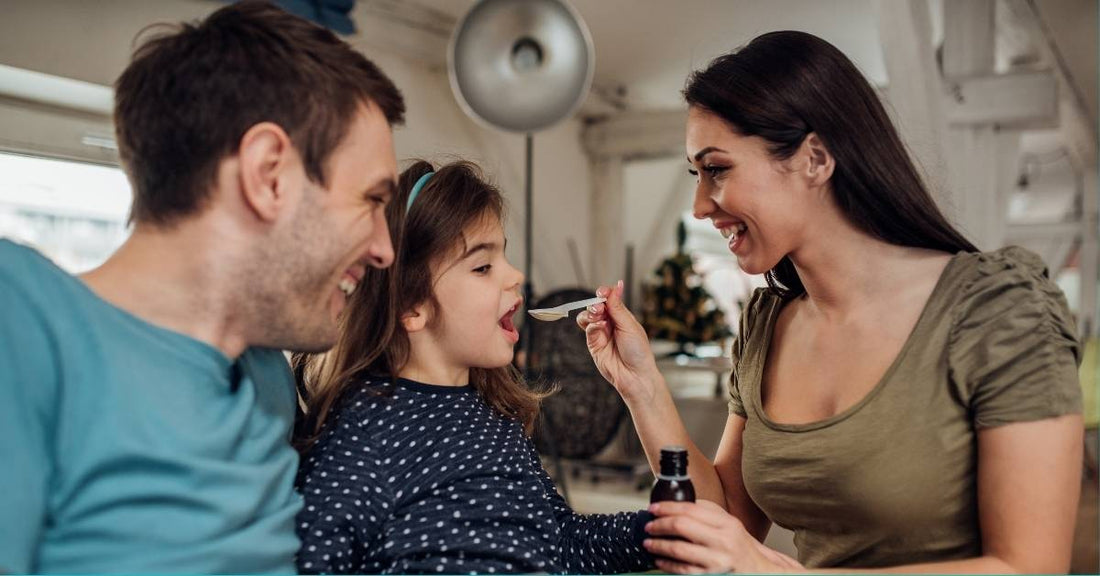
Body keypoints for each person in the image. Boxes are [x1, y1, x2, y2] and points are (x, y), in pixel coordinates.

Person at [578, 30, 1082, 573]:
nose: (700, 206)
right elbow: (728, 522)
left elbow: (1029, 565)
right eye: (695, 175)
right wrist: (641, 385)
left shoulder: (999, 310)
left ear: (815, 159)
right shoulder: (767, 324)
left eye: (717, 169)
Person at [0, 2, 405, 572]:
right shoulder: (21, 324)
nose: (385, 250)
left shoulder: (265, 379)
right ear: (268, 175)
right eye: (371, 200)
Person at [292, 160, 654, 574]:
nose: (514, 274)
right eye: (482, 266)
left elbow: (561, 542)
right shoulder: (362, 435)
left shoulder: (497, 418)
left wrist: (655, 532)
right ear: (412, 305)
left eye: (504, 254)